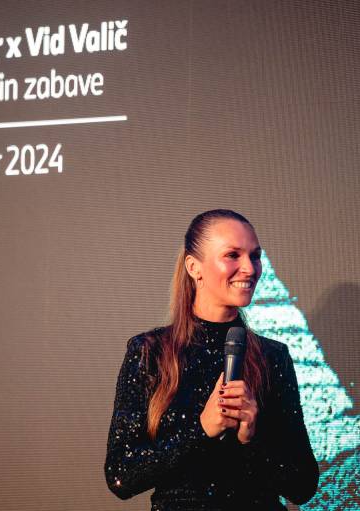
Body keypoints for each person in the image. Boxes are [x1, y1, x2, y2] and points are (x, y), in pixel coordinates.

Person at [104, 209, 319, 510]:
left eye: (255, 256)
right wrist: (200, 429)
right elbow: (120, 476)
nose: (250, 268)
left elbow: (303, 486)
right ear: (194, 267)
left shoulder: (273, 356)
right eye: (232, 255)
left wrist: (252, 438)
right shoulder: (150, 351)